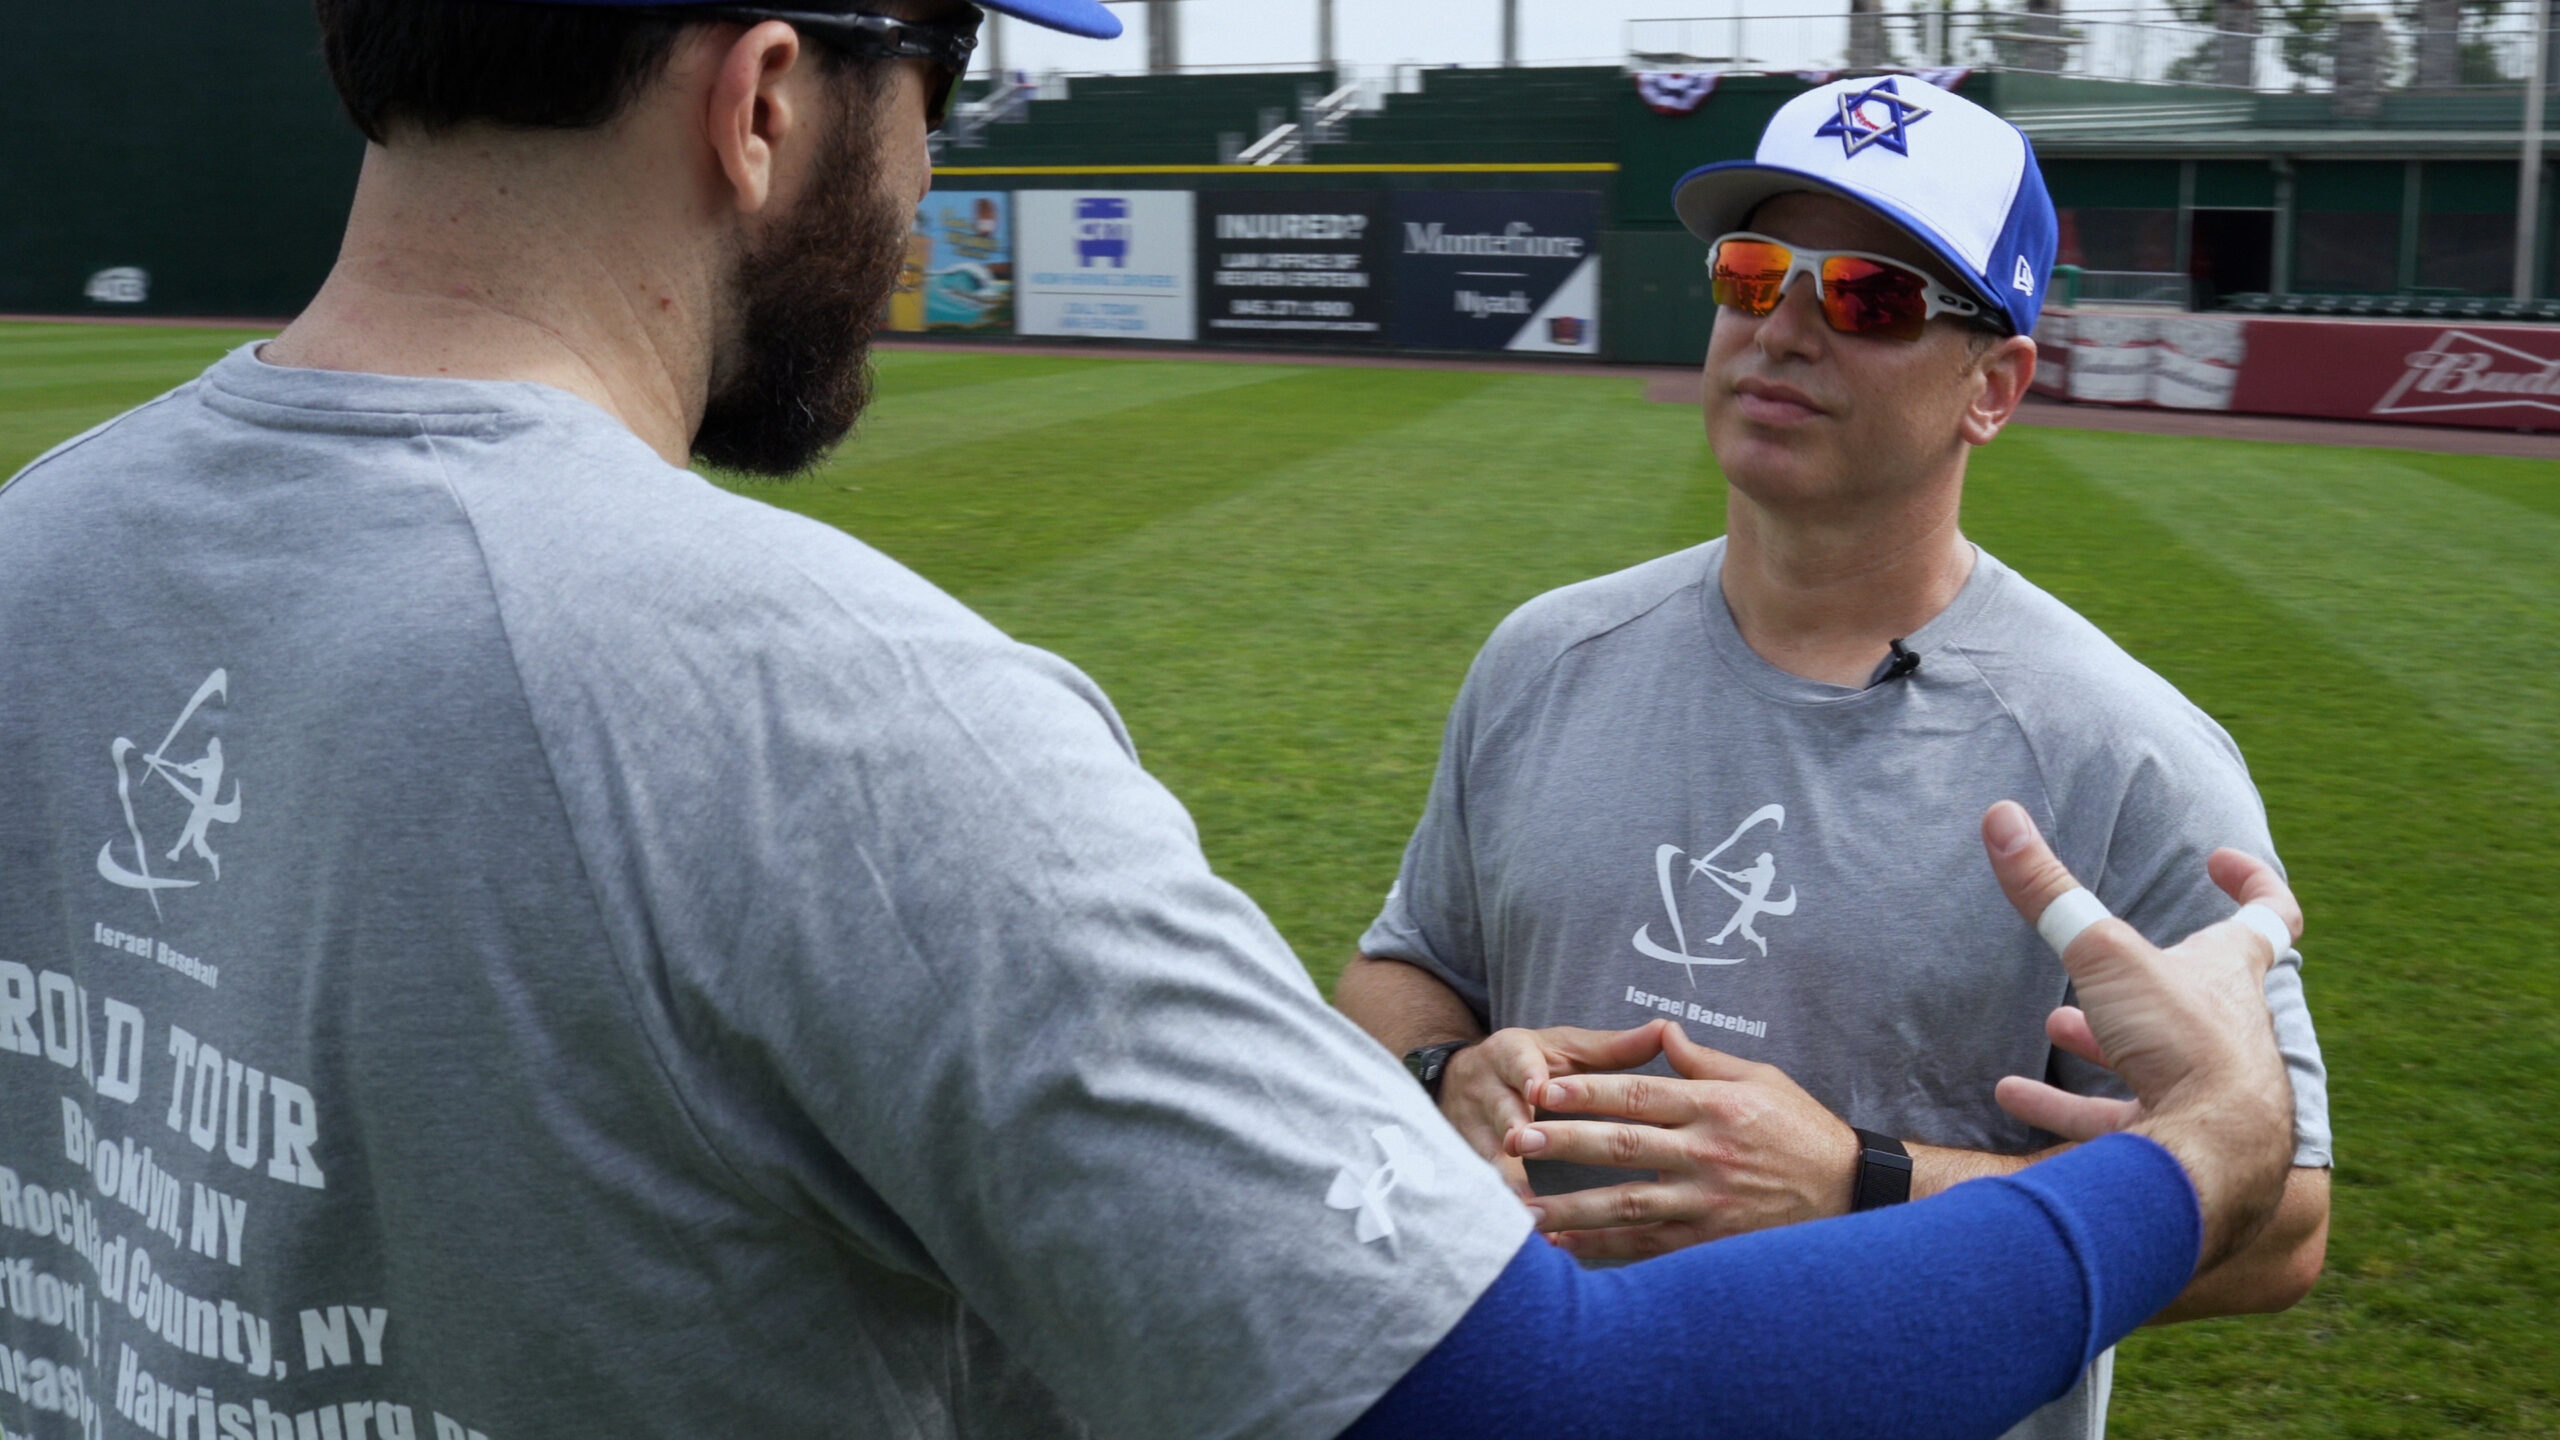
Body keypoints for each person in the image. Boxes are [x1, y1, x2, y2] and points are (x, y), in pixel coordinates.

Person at [0, 10, 2299, 1438]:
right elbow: (1521, 1407)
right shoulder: (851, 712)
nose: (930, 175)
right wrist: (2162, 1172)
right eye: (948, 81)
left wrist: (1891, 1179)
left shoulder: (40, 550)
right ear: (768, 98)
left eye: (1867, 294)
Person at [1338, 75, 2333, 1440]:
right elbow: (1404, 966)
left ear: (1994, 387)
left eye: (1867, 298)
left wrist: (1863, 1183)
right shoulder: (1545, 655)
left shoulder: (2129, 753)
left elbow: (2281, 1226)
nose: (1782, 330)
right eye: (1751, 277)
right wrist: (1445, 1076)